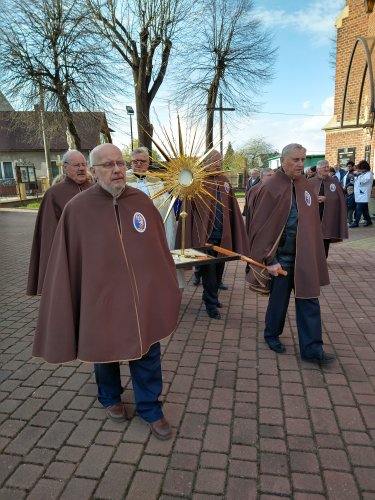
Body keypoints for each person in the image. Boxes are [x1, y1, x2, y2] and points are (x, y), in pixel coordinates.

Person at [32, 144, 182, 440]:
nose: (116, 170)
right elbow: (67, 260)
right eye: (108, 165)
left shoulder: (141, 201)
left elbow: (157, 249)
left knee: (148, 350)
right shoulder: (78, 209)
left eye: (121, 163)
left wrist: (163, 286)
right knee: (104, 350)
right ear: (93, 171)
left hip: (141, 299)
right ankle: (110, 397)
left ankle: (150, 408)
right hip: (100, 298)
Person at [246, 143, 334, 365]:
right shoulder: (270, 187)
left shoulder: (305, 185)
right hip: (281, 257)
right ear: (282, 160)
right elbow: (259, 227)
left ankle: (313, 350)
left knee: (309, 300)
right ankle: (271, 335)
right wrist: (270, 260)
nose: (301, 164)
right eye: (295, 159)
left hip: (304, 257)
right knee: (278, 301)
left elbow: (312, 222)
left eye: (303, 159)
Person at [176, 149, 249, 320]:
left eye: (220, 161)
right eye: (215, 161)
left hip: (222, 234)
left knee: (218, 270)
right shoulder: (196, 181)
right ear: (206, 162)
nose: (219, 164)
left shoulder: (224, 180)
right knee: (208, 273)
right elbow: (189, 211)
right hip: (205, 237)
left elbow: (232, 208)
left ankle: (212, 297)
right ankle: (210, 303)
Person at [26, 149, 92, 295]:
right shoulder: (53, 194)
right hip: (69, 255)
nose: (81, 168)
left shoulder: (96, 189)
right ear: (65, 168)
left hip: (95, 255)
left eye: (83, 164)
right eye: (76, 165)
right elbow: (48, 232)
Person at [126, 146, 184, 288]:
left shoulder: (156, 181)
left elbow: (167, 209)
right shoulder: (123, 181)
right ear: (130, 163)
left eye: (142, 161)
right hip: (131, 233)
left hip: (154, 231)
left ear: (148, 163)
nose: (139, 164)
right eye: (135, 161)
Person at [308, 160, 348, 257]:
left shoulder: (334, 182)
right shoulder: (310, 182)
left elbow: (340, 198)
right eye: (324, 167)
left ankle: (323, 258)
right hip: (313, 215)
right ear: (318, 169)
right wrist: (314, 198)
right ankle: (313, 258)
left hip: (328, 215)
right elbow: (304, 197)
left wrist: (327, 198)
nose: (327, 169)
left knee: (325, 237)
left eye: (327, 166)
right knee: (313, 237)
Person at [349, 160, 374, 227]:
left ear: (365, 168)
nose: (359, 170)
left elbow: (362, 182)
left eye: (361, 169)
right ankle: (369, 221)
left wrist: (358, 175)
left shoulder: (369, 174)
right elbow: (353, 182)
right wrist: (352, 177)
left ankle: (356, 222)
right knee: (365, 209)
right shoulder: (361, 174)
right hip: (358, 195)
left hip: (364, 194)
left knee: (358, 209)